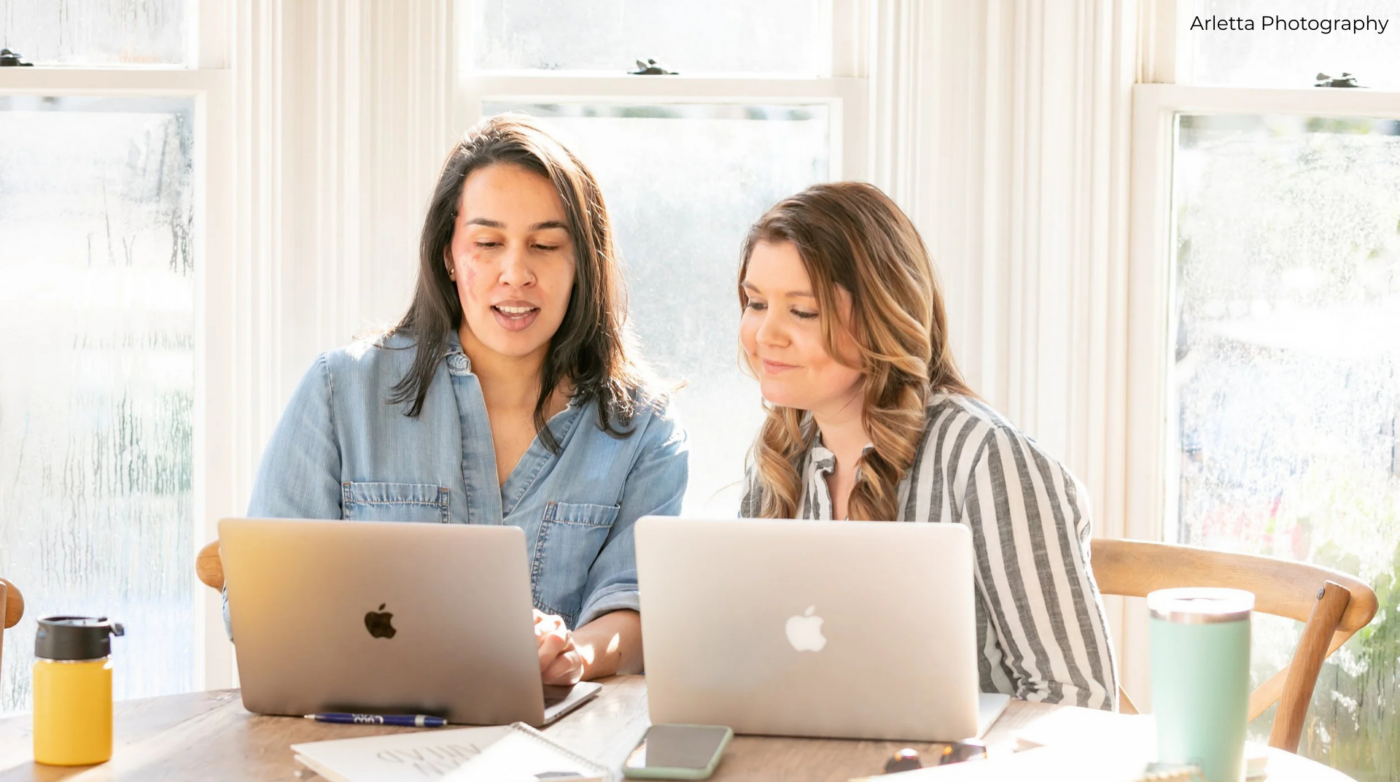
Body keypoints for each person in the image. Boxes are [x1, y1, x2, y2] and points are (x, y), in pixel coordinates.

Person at [242, 115, 688, 685]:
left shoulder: (644, 426)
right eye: (488, 243)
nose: (516, 273)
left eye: (545, 245)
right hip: (375, 724)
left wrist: (569, 654)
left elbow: (636, 607)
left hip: (552, 731)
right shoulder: (339, 390)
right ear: (448, 255)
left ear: (581, 261)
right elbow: (260, 602)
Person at [736, 182, 1117, 709]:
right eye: (756, 303)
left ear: (882, 314)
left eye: (803, 312)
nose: (765, 335)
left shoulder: (987, 460)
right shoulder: (781, 458)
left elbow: (1077, 700)